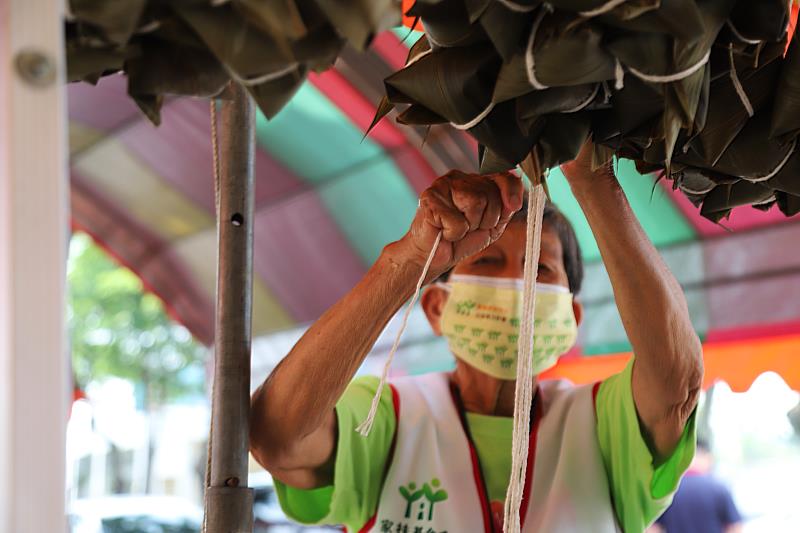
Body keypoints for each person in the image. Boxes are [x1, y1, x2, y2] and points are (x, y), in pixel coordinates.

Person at [249, 140, 703, 533]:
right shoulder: (383, 417)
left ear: (572, 315)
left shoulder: (606, 423)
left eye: (539, 269)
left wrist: (591, 178)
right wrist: (408, 263)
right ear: (436, 307)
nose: (515, 288)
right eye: (486, 263)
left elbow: (676, 382)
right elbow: (276, 437)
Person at [649, 439, 742, 533]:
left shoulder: (666, 490)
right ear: (706, 458)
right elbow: (735, 528)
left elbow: (653, 529)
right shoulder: (719, 488)